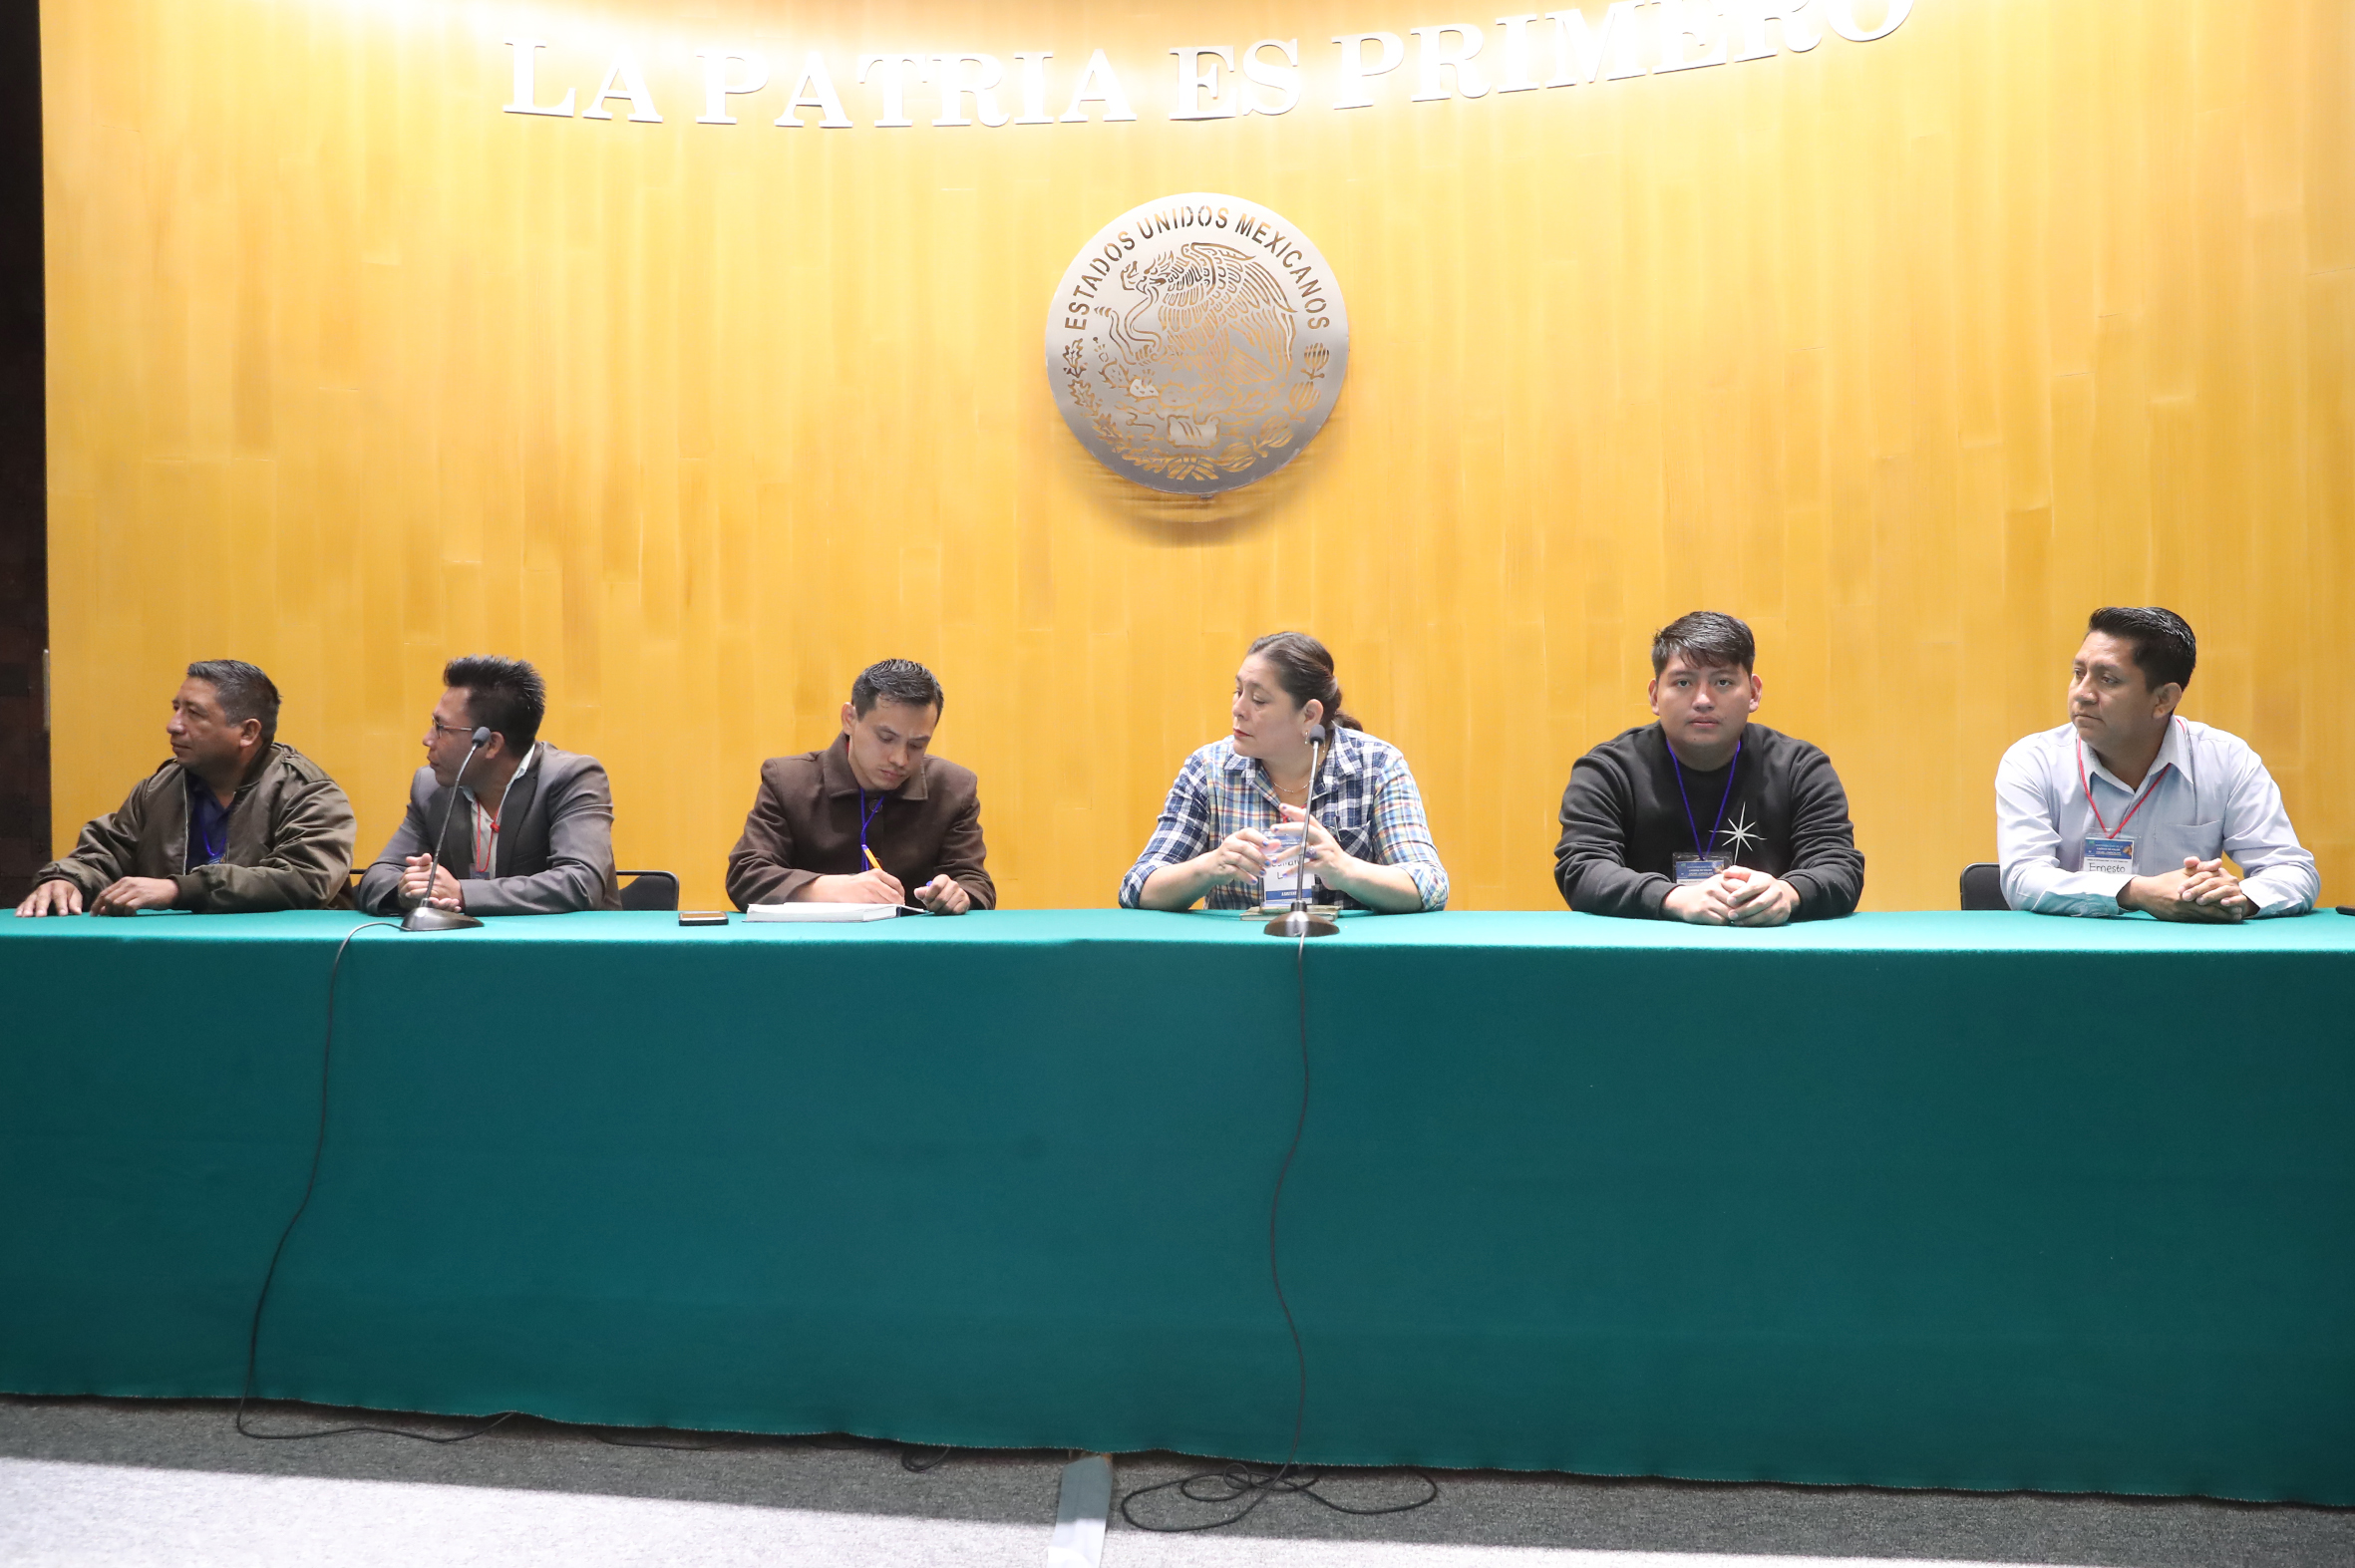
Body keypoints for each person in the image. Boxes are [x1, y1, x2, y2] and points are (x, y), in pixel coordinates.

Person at [1994, 607, 2316, 920]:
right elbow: (2023, 879)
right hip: (2072, 949)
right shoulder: (2034, 761)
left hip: (2188, 950)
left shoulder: (2226, 760)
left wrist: (2235, 899)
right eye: (2079, 673)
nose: (2082, 693)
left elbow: (2292, 871)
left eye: (2107, 680)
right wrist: (2136, 892)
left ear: (2163, 699)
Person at [1554, 611, 1862, 925]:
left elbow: (1839, 866)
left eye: (1723, 682)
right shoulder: (1609, 770)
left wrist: (1787, 893)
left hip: (1767, 947)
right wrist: (1675, 899)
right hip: (1646, 950)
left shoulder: (1800, 768)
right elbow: (1582, 868)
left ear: (1754, 692)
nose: (1703, 700)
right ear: (1655, 696)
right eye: (1683, 682)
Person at [1122, 632, 1447, 913]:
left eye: (1259, 699)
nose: (1238, 708)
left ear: (1309, 715)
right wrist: (1209, 867)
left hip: (1347, 955)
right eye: (1238, 691)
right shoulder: (1208, 770)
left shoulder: (1376, 766)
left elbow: (1428, 886)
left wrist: (1345, 870)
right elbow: (1138, 887)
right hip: (1239, 957)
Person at [16, 660, 355, 916]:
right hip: (172, 957)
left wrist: (178, 890)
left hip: (279, 960)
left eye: (193, 713)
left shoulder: (307, 792)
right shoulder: (159, 788)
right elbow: (105, 853)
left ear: (248, 732)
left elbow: (305, 879)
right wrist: (67, 879)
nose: (173, 725)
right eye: (176, 709)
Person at [357, 656, 619, 916]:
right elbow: (378, 876)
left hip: (565, 941)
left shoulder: (571, 778)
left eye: (441, 727)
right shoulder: (431, 786)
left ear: (491, 744)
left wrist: (462, 893)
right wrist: (410, 891)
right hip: (466, 941)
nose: (427, 739)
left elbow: (580, 882)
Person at [726, 659, 992, 914]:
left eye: (917, 745)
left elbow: (975, 882)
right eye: (886, 738)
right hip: (813, 943)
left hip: (915, 943)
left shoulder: (953, 788)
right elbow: (746, 875)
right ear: (849, 719)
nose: (900, 759)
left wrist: (959, 895)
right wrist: (828, 889)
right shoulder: (788, 781)